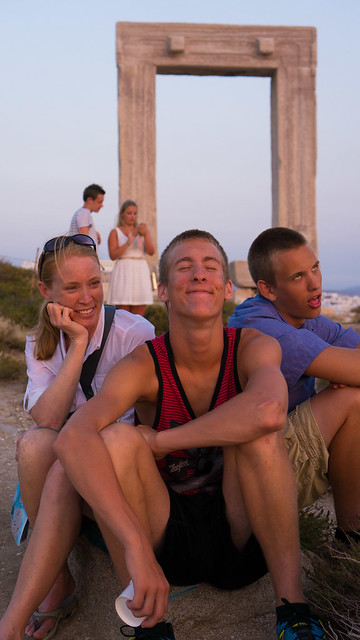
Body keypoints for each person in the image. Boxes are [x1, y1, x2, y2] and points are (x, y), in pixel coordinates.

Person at [0, 230, 325, 640]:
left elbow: (269, 410)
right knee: (118, 440)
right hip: (166, 538)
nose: (199, 275)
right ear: (163, 290)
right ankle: (149, 626)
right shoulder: (144, 362)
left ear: (228, 288)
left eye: (210, 268)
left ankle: (292, 609)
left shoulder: (253, 346)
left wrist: (161, 441)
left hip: (241, 530)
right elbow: (69, 437)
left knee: (258, 435)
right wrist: (136, 544)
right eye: (184, 268)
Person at [15, 233, 155, 640]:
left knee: (69, 449)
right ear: (47, 291)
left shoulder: (134, 332)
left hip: (117, 468)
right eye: (72, 287)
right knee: (34, 443)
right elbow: (48, 419)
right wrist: (77, 345)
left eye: (93, 283)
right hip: (65, 465)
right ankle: (57, 581)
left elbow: (150, 420)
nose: (86, 297)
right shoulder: (39, 344)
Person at [229, 226, 360, 546]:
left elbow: (355, 349)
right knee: (353, 400)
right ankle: (351, 538)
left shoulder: (302, 311)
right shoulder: (262, 326)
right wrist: (344, 370)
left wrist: (345, 367)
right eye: (297, 276)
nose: (315, 283)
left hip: (282, 445)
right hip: (250, 475)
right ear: (268, 289)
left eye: (315, 267)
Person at [107, 199, 154, 315]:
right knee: (123, 313)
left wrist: (146, 234)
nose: (132, 216)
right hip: (124, 270)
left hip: (140, 269)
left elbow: (151, 251)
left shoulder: (141, 230)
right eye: (129, 213)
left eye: (135, 213)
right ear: (122, 214)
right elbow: (113, 255)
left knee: (139, 316)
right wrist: (128, 242)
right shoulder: (115, 232)